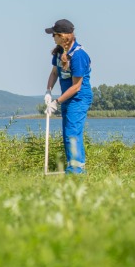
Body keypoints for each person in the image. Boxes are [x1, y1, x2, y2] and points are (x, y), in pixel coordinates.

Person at [43, 19, 92, 174]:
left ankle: (76, 171)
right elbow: (54, 73)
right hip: (66, 98)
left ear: (63, 36)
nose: (53, 38)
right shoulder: (58, 52)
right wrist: (48, 91)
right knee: (67, 134)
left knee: (73, 133)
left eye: (54, 35)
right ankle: (75, 167)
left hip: (79, 98)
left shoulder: (79, 55)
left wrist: (57, 102)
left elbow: (76, 86)